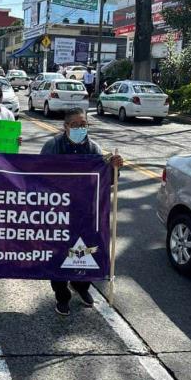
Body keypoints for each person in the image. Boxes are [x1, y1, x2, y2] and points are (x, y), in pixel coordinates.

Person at [40, 107, 123, 316]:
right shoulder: (52, 147)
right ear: (65, 126)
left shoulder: (94, 148)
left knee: (86, 253)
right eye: (75, 125)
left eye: (84, 124)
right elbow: (39, 176)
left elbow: (107, 181)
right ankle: (62, 296)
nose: (80, 128)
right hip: (58, 212)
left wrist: (115, 168)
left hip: (85, 213)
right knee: (59, 255)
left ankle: (81, 286)